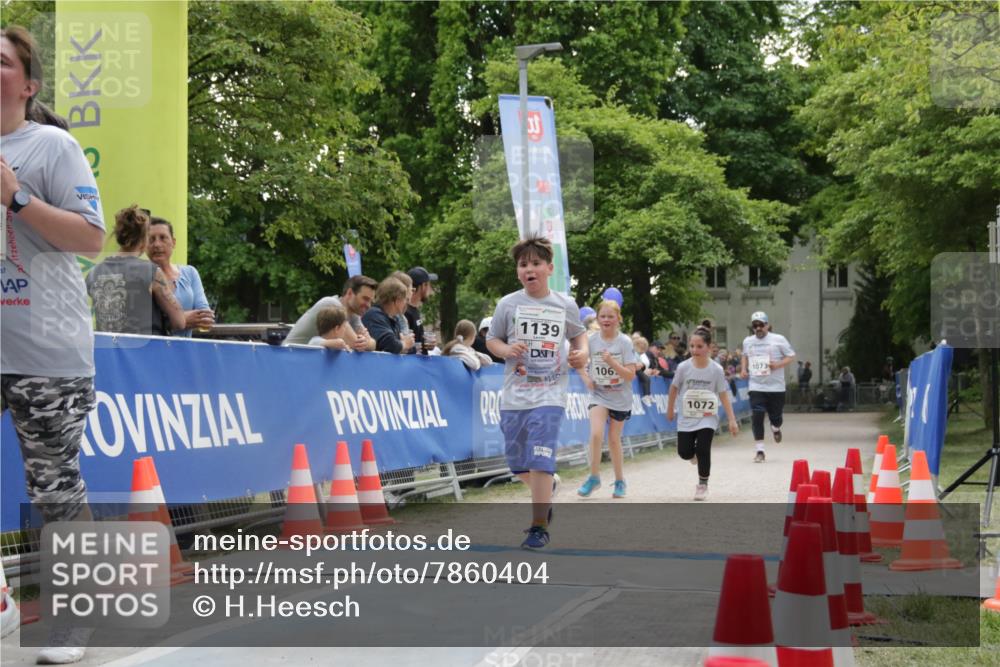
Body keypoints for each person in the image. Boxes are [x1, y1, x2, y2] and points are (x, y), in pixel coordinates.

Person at [1, 25, 105, 662]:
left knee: (53, 489)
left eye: (1, 61)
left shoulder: (51, 146)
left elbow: (91, 238)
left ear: (28, 84)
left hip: (47, 352)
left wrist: (15, 197)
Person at [486, 237, 587, 550]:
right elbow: (492, 340)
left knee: (541, 457)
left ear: (549, 268)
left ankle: (538, 526)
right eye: (523, 264)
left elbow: (580, 338)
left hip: (551, 394)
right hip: (515, 395)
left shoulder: (564, 305)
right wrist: (506, 349)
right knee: (519, 463)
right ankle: (548, 487)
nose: (529, 269)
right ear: (518, 271)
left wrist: (581, 355)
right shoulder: (508, 305)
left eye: (535, 263)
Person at [86, 206, 186, 335]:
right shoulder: (150, 271)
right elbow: (179, 321)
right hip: (145, 350)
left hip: (108, 350)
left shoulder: (94, 273)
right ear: (144, 240)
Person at [575, 300, 639, 499]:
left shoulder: (625, 342)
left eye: (610, 316)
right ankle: (594, 477)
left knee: (613, 440)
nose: (606, 320)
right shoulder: (591, 341)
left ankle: (620, 481)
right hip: (599, 394)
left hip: (620, 396)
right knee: (595, 434)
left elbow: (630, 375)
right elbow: (578, 362)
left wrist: (611, 362)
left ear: (618, 319)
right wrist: (587, 378)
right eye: (602, 316)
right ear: (597, 319)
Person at [668, 327, 739, 500]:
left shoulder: (716, 369)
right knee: (684, 452)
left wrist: (731, 419)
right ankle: (693, 456)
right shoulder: (683, 367)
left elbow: (722, 393)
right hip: (686, 416)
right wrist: (670, 408)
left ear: (708, 347)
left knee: (703, 448)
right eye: (692, 346)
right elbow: (674, 388)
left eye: (699, 346)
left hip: (707, 417)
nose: (694, 350)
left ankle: (702, 484)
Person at [739, 311, 796, 463]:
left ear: (767, 325)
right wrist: (743, 369)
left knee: (776, 418)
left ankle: (776, 428)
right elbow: (744, 355)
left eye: (761, 325)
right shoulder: (748, 341)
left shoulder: (778, 339)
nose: (758, 328)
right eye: (755, 325)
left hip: (776, 387)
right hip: (756, 385)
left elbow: (791, 356)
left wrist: (777, 364)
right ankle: (760, 451)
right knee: (757, 416)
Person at [146, 216, 214, 337]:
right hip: (154, 350)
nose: (157, 244)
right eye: (151, 240)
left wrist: (172, 320)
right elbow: (142, 324)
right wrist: (182, 319)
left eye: (163, 238)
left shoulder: (190, 273)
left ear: (173, 242)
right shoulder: (140, 276)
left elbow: (205, 318)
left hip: (185, 350)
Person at [283, 275, 377, 351]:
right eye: (365, 299)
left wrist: (367, 342)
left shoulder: (354, 315)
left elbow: (373, 344)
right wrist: (365, 342)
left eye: (371, 301)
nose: (369, 305)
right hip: (290, 359)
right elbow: (354, 344)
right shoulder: (332, 305)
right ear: (349, 293)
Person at [362, 276, 415, 354]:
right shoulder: (374, 315)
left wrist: (404, 345)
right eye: (405, 299)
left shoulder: (394, 319)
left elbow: (411, 349)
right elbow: (390, 345)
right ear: (396, 300)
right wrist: (405, 344)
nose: (406, 303)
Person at [405, 266, 438, 354]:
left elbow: (417, 340)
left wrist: (427, 344)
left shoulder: (414, 310)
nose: (430, 290)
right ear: (423, 286)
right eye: (429, 285)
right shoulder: (406, 312)